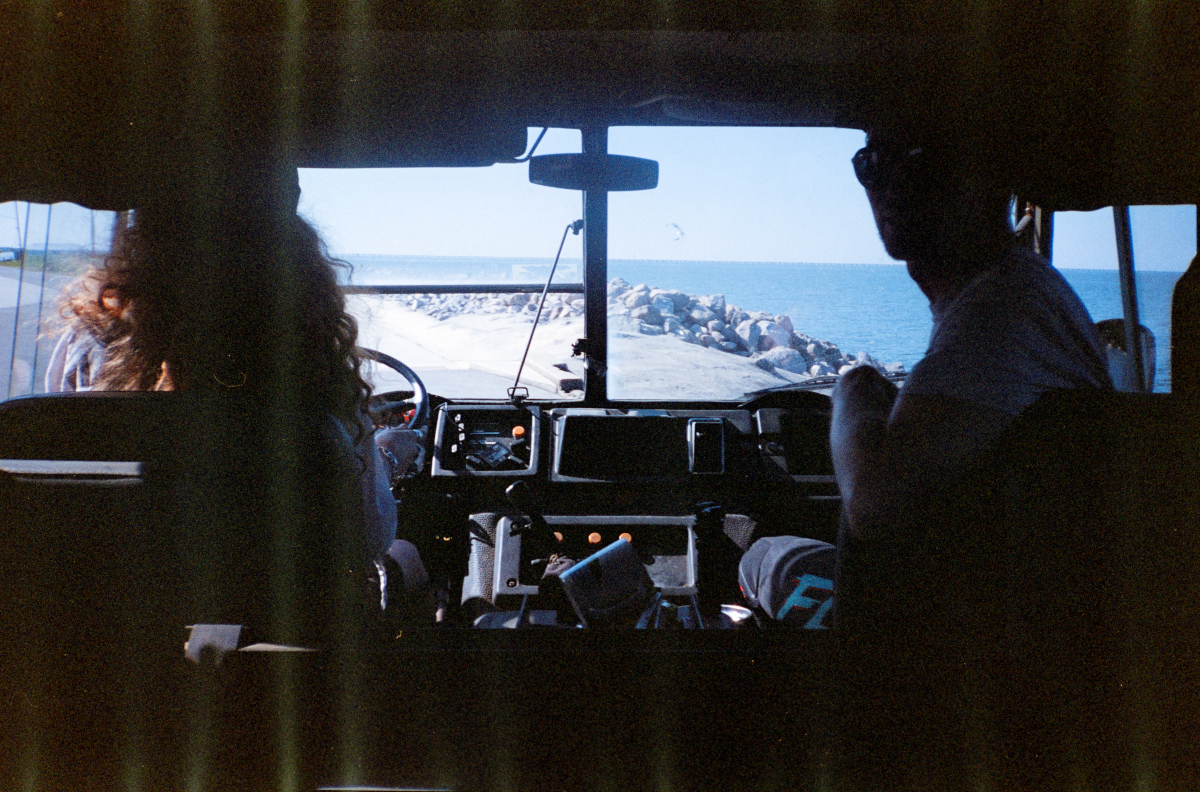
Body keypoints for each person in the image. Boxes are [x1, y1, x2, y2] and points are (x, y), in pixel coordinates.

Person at [738, 126, 1113, 627]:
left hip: (952, 646)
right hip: (977, 614)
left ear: (993, 179)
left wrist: (855, 386)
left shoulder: (1000, 310)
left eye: (923, 160)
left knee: (762, 556)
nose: (892, 183)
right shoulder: (1017, 293)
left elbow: (872, 508)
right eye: (872, 163)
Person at [45, 175, 430, 621]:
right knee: (408, 555)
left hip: (115, 617)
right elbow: (367, 538)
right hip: (281, 632)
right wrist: (384, 455)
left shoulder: (87, 341)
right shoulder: (315, 401)